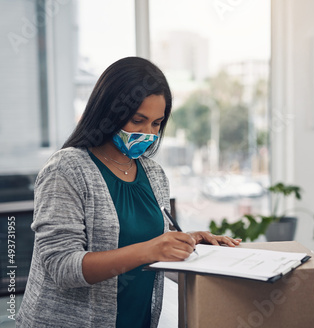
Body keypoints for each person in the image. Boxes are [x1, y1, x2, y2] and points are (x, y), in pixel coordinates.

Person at [17, 57, 241, 328]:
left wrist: (184, 241)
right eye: (138, 120)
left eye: (157, 123)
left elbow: (139, 240)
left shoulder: (154, 174)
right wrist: (152, 249)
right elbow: (63, 267)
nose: (148, 133)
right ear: (109, 112)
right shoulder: (66, 169)